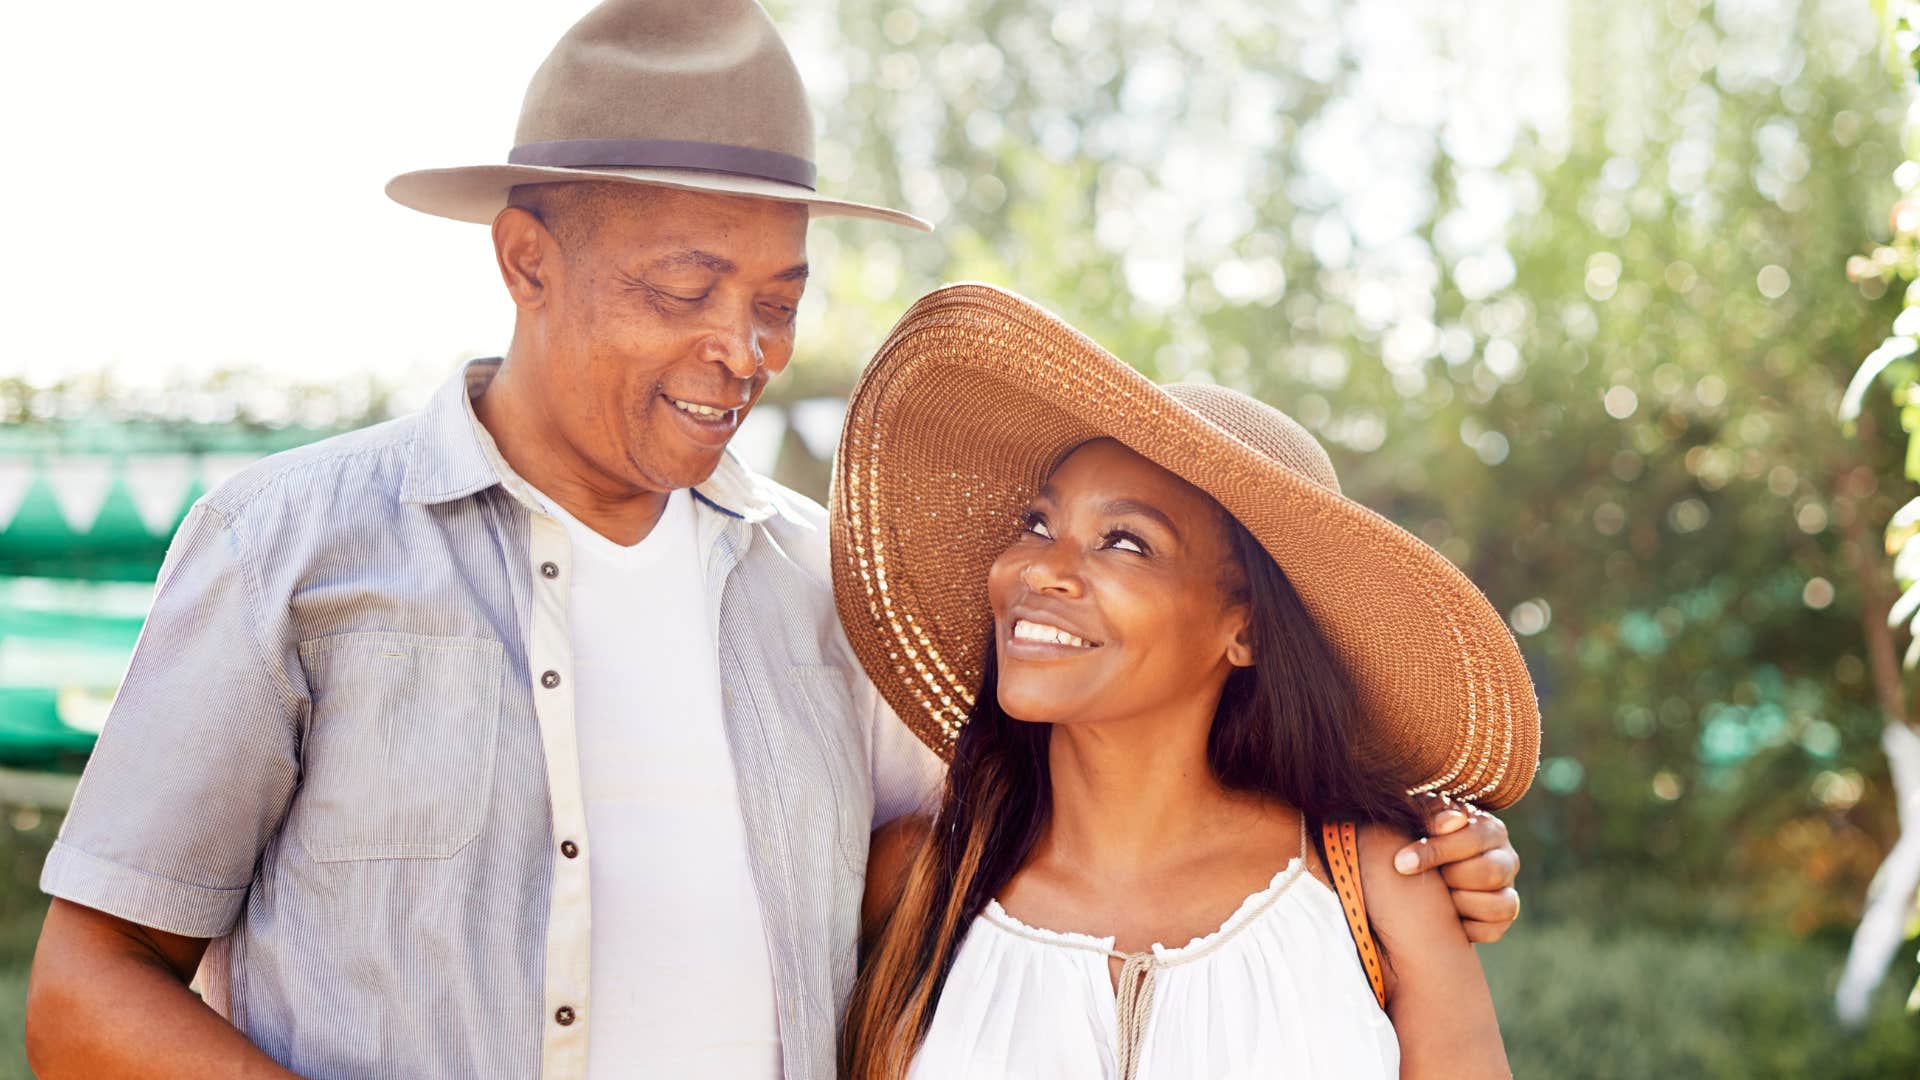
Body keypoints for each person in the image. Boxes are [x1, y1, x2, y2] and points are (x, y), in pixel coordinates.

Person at [24, 4, 1523, 1079]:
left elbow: (1075, 826)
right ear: (526, 259)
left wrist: (1412, 865)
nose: (741, 350)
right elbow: (86, 991)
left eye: (779, 298)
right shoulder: (290, 550)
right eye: (684, 287)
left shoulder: (823, 592)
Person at [833, 284, 1539, 1078]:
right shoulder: (914, 883)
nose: (1043, 571)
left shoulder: (1376, 889)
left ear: (1245, 627)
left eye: (1125, 542)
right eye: (1039, 524)